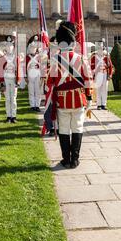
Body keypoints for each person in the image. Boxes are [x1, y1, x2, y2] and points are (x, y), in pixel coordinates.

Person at [45, 21, 92, 168]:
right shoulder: (81, 58)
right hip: (79, 99)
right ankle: (75, 159)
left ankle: (66, 159)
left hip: (62, 101)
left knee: (64, 129)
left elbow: (49, 82)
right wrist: (89, 98)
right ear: (73, 41)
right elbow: (88, 80)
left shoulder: (54, 61)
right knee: (77, 127)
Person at [0, 35, 21, 124]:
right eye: (7, 46)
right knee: (7, 99)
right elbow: (0, 71)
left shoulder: (16, 57)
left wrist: (18, 80)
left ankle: (14, 116)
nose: (9, 47)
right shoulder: (3, 58)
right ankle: (8, 116)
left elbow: (19, 69)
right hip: (6, 79)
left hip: (13, 80)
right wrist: (1, 82)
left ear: (13, 47)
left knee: (13, 99)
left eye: (10, 46)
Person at [90, 40, 113, 110]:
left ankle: (104, 104)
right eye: (99, 49)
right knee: (98, 89)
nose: (100, 50)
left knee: (104, 89)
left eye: (102, 48)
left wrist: (110, 74)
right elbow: (91, 67)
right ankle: (99, 104)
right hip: (98, 74)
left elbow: (110, 67)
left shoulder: (106, 57)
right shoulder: (94, 57)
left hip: (105, 74)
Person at [26, 36, 41, 112]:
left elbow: (42, 66)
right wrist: (25, 76)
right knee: (31, 90)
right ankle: (32, 105)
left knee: (37, 91)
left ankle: (37, 105)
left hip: (37, 74)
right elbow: (25, 66)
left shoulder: (39, 57)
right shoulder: (27, 57)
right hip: (30, 74)